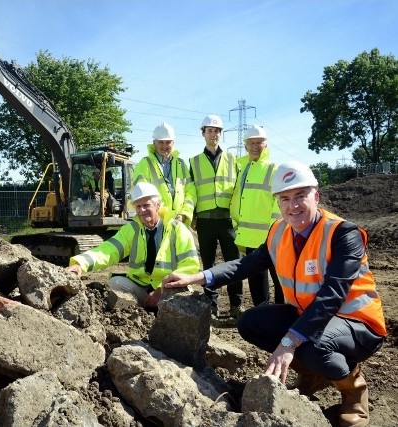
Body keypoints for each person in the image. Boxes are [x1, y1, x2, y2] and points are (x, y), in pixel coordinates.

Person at [163, 160, 386, 427]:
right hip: (309, 316)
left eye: (301, 196)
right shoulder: (279, 231)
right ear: (278, 203)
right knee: (250, 323)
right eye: (285, 198)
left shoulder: (343, 233)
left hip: (358, 324)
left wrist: (289, 342)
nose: (293, 206)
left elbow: (332, 294)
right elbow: (245, 265)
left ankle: (354, 392)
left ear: (316, 195)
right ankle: (313, 374)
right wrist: (199, 277)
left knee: (313, 345)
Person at [66, 182, 200, 309]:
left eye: (146, 205)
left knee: (183, 294)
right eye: (138, 206)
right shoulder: (132, 230)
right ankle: (141, 311)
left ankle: (163, 310)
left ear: (158, 205)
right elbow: (108, 250)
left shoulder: (177, 229)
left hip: (168, 289)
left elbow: (189, 266)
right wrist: (80, 264)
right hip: (142, 287)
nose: (142, 210)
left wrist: (162, 289)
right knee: (115, 283)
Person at [189, 114, 243, 319]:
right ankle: (211, 305)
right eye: (210, 130)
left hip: (228, 219)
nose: (214, 134)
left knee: (234, 262)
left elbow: (239, 190)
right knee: (208, 264)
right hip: (205, 221)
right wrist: (191, 217)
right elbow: (190, 191)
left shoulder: (232, 160)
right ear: (203, 133)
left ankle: (236, 305)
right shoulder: (193, 162)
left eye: (217, 131)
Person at [230, 124, 283, 306]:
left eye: (259, 142)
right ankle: (262, 315)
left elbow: (278, 204)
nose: (255, 146)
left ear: (265, 144)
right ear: (245, 145)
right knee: (256, 283)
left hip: (272, 237)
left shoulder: (273, 168)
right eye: (251, 142)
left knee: (280, 281)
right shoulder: (242, 167)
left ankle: (281, 315)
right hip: (251, 238)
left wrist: (274, 232)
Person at [132, 122, 196, 226]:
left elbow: (190, 193)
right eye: (161, 142)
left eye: (168, 142)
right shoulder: (144, 164)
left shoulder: (181, 164)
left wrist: (184, 214)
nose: (165, 146)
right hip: (156, 224)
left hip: (180, 223)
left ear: (173, 142)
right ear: (154, 143)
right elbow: (142, 198)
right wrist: (165, 217)